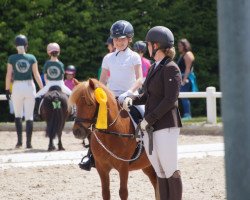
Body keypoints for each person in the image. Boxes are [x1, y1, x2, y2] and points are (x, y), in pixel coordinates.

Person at [123, 26, 183, 199]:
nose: (146, 47)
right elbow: (148, 95)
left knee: (170, 169)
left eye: (148, 44)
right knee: (160, 171)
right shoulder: (154, 67)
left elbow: (170, 100)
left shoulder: (171, 68)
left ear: (156, 45)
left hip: (166, 125)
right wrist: (132, 99)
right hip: (151, 126)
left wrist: (148, 119)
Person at [79, 20, 143, 171]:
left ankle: (146, 145)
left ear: (129, 39)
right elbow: (102, 81)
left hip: (130, 94)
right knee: (95, 121)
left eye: (122, 39)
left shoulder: (134, 56)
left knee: (144, 114)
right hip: (111, 97)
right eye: (116, 39)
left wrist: (129, 92)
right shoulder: (107, 58)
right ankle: (91, 155)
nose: (119, 42)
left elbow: (140, 78)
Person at [5, 34, 43, 148]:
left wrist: (7, 89)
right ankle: (29, 143)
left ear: (16, 46)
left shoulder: (12, 58)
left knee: (18, 115)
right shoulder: (32, 57)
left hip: (17, 87)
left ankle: (19, 142)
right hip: (29, 86)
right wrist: (42, 88)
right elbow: (36, 75)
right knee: (29, 116)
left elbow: (8, 75)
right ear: (26, 45)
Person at [34, 43, 72, 119]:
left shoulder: (47, 64)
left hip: (49, 84)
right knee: (72, 95)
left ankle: (36, 113)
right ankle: (73, 112)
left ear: (49, 53)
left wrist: (48, 83)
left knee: (36, 96)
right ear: (59, 52)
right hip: (60, 85)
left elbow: (45, 76)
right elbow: (62, 76)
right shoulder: (60, 64)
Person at [177, 38, 196, 120]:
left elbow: (188, 68)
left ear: (185, 46)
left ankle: (187, 115)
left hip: (186, 78)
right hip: (182, 77)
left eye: (180, 46)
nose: (179, 47)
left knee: (184, 96)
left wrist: (184, 80)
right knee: (182, 97)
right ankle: (186, 114)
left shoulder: (188, 54)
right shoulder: (183, 54)